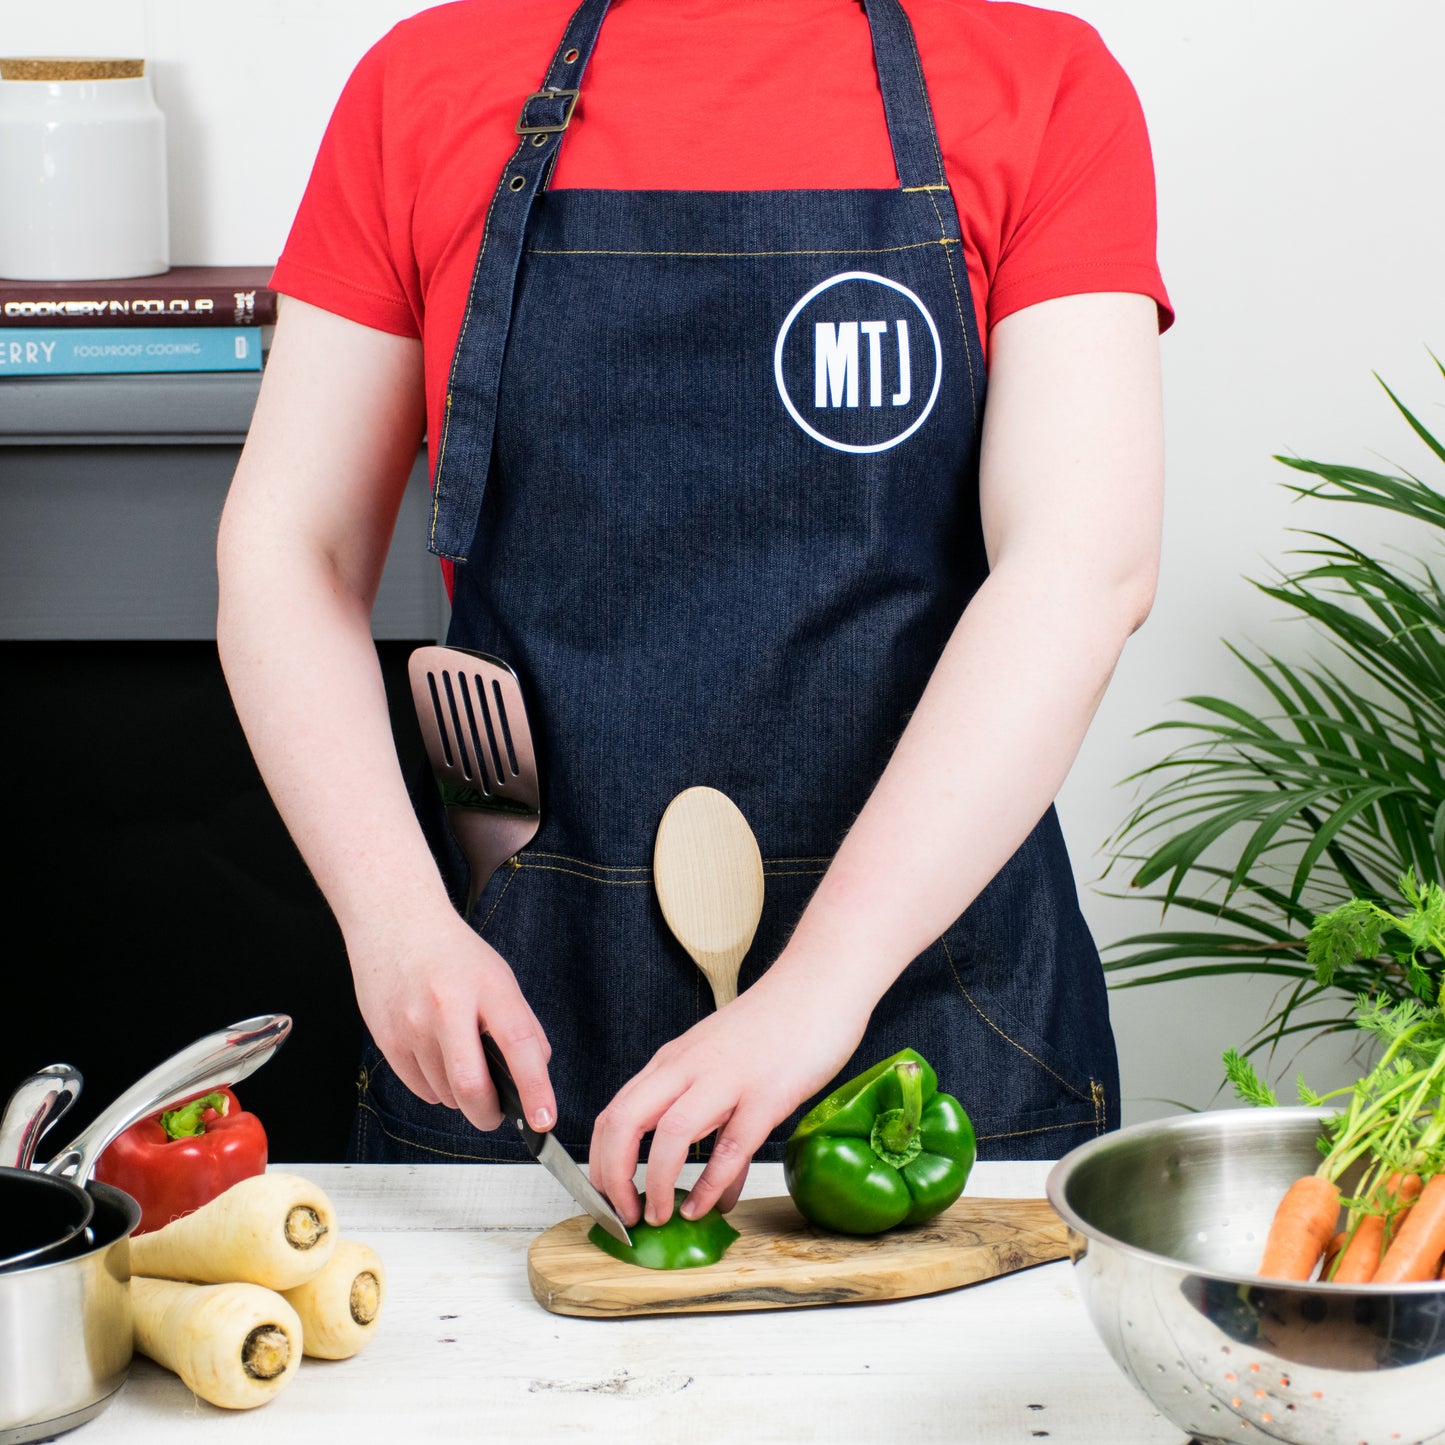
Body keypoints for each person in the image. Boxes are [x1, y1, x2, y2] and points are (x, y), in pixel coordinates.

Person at [216, 0, 1170, 1231]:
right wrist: (391, 917)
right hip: (522, 1004)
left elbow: (1079, 564)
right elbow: (291, 549)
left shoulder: (1039, 83)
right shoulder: (421, 84)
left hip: (928, 1008)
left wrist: (821, 983)